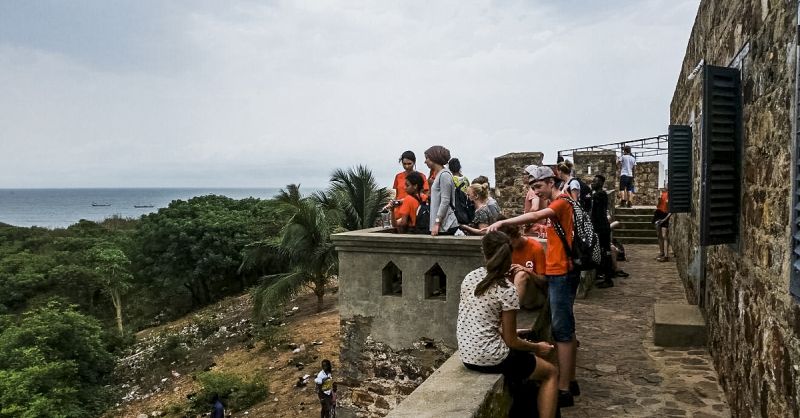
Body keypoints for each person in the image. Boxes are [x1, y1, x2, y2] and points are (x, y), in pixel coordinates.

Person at [487, 165, 581, 408]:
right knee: (564, 327)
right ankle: (569, 381)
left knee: (562, 329)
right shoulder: (560, 204)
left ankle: (563, 389)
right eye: (533, 188)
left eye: (539, 186)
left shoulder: (562, 202)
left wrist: (503, 222)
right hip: (559, 270)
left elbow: (533, 216)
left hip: (562, 271)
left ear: (552, 182)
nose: (536, 192)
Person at [457, 231, 558, 418]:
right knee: (551, 372)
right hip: (490, 358)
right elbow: (511, 341)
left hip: (467, 354)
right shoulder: (506, 289)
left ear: (484, 252)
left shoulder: (470, 277)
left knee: (526, 352)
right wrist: (538, 347)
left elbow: (481, 319)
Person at [497, 219, 547, 306]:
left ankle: (512, 309)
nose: (509, 245)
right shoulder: (507, 248)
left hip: (534, 295)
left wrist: (526, 270)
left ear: (517, 236)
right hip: (510, 292)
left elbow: (543, 280)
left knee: (521, 274)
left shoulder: (535, 248)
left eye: (510, 242)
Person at [424, 145, 459, 236]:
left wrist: (437, 223)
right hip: (442, 226)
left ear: (434, 158)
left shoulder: (444, 175)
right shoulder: (440, 175)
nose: (425, 161)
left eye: (427, 158)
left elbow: (445, 201)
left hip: (446, 225)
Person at [590, 175, 614, 288]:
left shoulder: (600, 194)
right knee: (603, 252)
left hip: (601, 228)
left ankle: (608, 278)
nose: (592, 183)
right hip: (601, 227)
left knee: (605, 252)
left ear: (600, 183)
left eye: (595, 181)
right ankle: (604, 275)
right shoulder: (598, 194)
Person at [654, 185, 671, 261]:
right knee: (659, 234)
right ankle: (661, 252)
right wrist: (658, 200)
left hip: (665, 214)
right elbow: (657, 206)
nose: (666, 186)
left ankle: (666, 256)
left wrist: (665, 219)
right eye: (665, 185)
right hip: (658, 213)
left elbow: (671, 211)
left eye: (667, 185)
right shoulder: (662, 193)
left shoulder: (671, 195)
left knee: (665, 235)